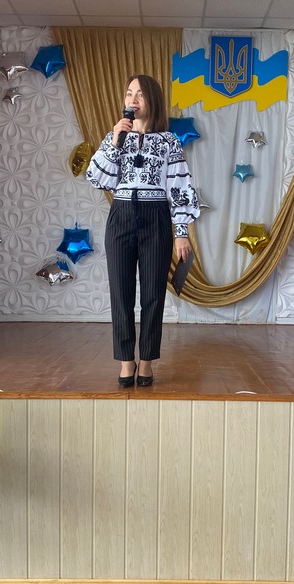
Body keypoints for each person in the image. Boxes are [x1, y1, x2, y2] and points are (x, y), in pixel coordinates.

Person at [86, 74, 200, 387]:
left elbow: (179, 186)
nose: (132, 100)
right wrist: (114, 141)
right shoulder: (115, 137)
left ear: (152, 100)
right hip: (121, 216)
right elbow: (97, 178)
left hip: (155, 217)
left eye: (139, 94)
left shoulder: (169, 141)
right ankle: (126, 360)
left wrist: (180, 232)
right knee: (120, 293)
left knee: (153, 294)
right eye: (128, 94)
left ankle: (147, 360)